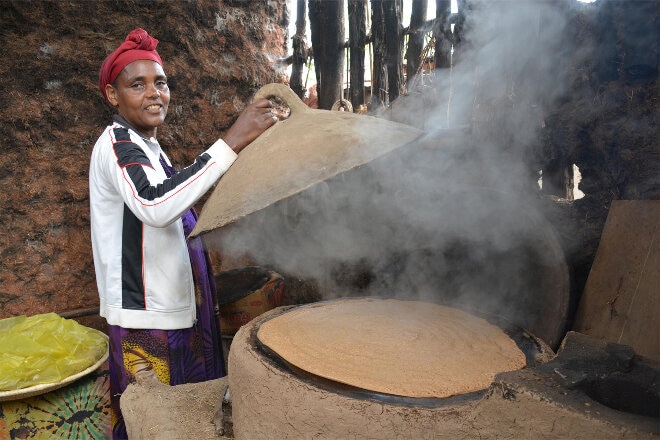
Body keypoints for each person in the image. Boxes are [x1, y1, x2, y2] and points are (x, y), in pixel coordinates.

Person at [89, 28, 277, 439]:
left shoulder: (150, 147)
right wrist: (230, 142)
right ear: (112, 96)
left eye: (161, 82)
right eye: (136, 84)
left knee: (185, 415)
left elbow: (177, 202)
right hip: (146, 318)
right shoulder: (118, 143)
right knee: (154, 419)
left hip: (173, 309)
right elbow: (155, 205)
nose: (154, 93)